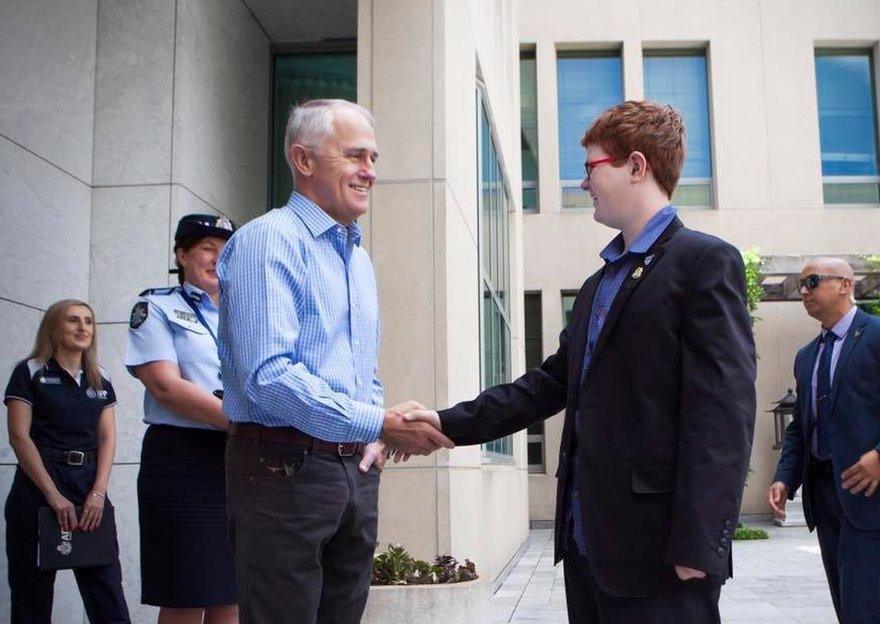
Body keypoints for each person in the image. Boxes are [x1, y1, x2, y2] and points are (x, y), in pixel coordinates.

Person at [407, 100, 757, 623]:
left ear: (636, 166)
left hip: (663, 553)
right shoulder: (599, 284)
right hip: (589, 547)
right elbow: (547, 384)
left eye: (591, 168)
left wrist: (700, 542)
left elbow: (723, 411)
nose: (583, 183)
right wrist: (445, 423)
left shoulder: (704, 262)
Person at [217, 98, 453, 624]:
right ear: (303, 160)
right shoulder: (267, 242)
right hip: (281, 470)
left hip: (353, 470)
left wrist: (370, 433)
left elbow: (360, 369)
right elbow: (268, 377)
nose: (370, 171)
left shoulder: (358, 259)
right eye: (354, 156)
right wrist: (381, 422)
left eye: (373, 157)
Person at [768, 257, 880, 624]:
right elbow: (801, 425)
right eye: (801, 285)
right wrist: (785, 478)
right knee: (847, 609)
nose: (803, 291)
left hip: (871, 491)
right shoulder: (807, 356)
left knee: (861, 609)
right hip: (824, 493)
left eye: (812, 281)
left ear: (846, 284)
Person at [124, 214, 238, 623]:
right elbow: (165, 387)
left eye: (226, 251)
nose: (217, 258)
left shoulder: (245, 316)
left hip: (238, 459)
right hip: (182, 460)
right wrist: (241, 421)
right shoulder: (155, 307)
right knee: (187, 592)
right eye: (207, 248)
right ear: (181, 253)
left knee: (232, 592)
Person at [4, 299, 131, 623]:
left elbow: (107, 438)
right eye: (73, 320)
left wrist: (98, 492)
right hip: (38, 488)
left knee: (107, 594)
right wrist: (53, 495)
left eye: (88, 321)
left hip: (88, 485)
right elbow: (19, 436)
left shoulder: (99, 377)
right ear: (53, 327)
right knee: (31, 596)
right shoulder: (29, 371)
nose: (83, 327)